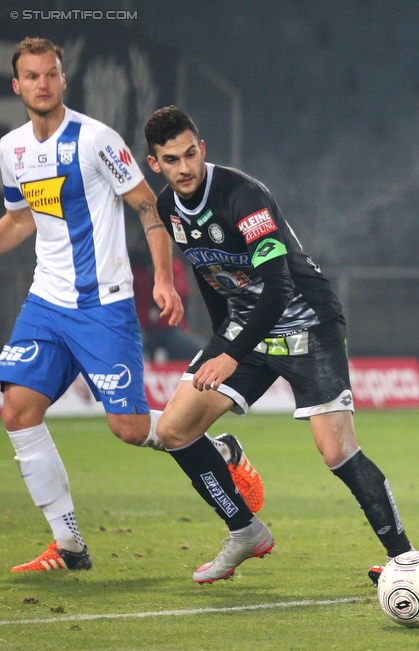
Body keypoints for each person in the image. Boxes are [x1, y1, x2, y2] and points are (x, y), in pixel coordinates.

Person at [0, 38, 262, 574]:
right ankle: (68, 543)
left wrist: (163, 279)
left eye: (50, 75)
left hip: (104, 306)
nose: (42, 85)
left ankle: (215, 446)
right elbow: (23, 217)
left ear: (62, 80)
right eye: (31, 77)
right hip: (46, 302)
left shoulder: (97, 139)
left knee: (127, 427)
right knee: (17, 411)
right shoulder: (11, 150)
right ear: (17, 85)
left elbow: (149, 207)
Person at [143, 105, 413, 583]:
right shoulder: (168, 208)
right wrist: (221, 336)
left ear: (202, 148)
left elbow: (280, 285)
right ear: (155, 164)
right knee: (173, 431)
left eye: (190, 154)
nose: (183, 168)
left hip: (307, 322)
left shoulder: (243, 197)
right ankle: (245, 530)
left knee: (336, 451)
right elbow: (210, 277)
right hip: (245, 326)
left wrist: (230, 354)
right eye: (171, 160)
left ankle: (406, 559)